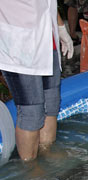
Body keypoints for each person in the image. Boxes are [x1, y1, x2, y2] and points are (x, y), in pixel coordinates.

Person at [0, 1, 74, 161]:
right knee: (31, 113)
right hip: (17, 46)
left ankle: (46, 151)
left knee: (51, 104)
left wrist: (60, 27)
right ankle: (30, 167)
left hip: (48, 38)